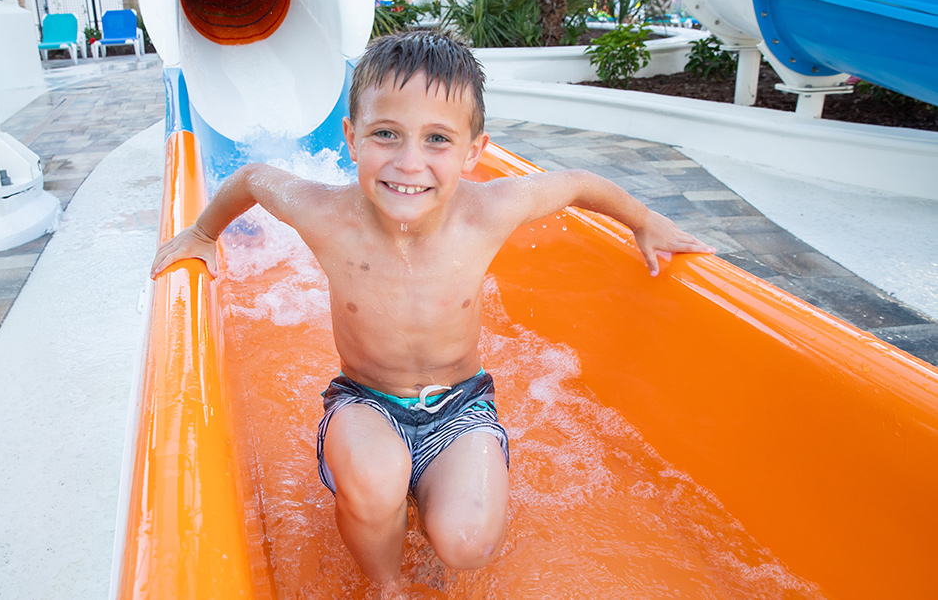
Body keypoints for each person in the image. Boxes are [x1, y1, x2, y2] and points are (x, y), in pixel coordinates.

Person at [150, 30, 714, 596]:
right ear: (351, 137)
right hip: (366, 402)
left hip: (461, 406)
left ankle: (433, 489)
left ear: (473, 151)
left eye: (437, 139)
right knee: (374, 481)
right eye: (386, 134)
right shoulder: (326, 215)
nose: (408, 162)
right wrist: (201, 233)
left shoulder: (488, 212)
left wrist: (645, 222)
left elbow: (576, 185)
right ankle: (389, 583)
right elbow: (252, 180)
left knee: (468, 543)